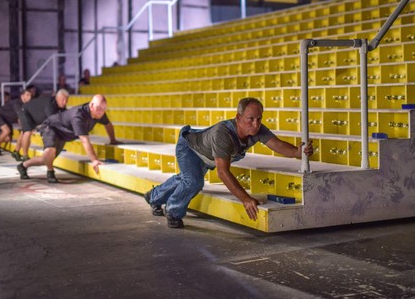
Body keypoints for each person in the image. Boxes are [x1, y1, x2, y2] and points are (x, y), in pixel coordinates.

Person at [143, 97, 314, 228]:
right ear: (238, 117)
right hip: (190, 149)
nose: (256, 124)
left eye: (259, 119)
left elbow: (276, 144)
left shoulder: (257, 129)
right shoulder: (222, 134)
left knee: (186, 179)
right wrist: (245, 199)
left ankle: (154, 196)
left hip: (208, 155)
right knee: (193, 181)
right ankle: (173, 212)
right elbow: (222, 172)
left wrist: (297, 152)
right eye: (251, 119)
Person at [16, 94, 121, 183]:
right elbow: (84, 140)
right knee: (50, 150)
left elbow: (108, 124)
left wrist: (113, 139)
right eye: (99, 108)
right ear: (91, 105)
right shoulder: (79, 115)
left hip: (63, 134)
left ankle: (23, 166)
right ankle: (50, 172)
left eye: (104, 109)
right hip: (51, 127)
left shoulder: (100, 113)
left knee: (47, 159)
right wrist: (94, 160)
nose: (101, 112)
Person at [13, 89, 70, 162]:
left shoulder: (60, 105)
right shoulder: (50, 105)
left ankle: (16, 151)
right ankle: (25, 156)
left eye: (66, 100)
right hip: (25, 111)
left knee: (24, 132)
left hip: (35, 115)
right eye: (63, 100)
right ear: (57, 98)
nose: (65, 102)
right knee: (27, 131)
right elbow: (52, 121)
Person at [0, 89, 32, 156]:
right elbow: (20, 117)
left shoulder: (25, 105)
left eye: (30, 95)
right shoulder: (17, 103)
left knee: (8, 138)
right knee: (6, 131)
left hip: (7, 120)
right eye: (27, 95)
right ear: (22, 96)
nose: (29, 97)